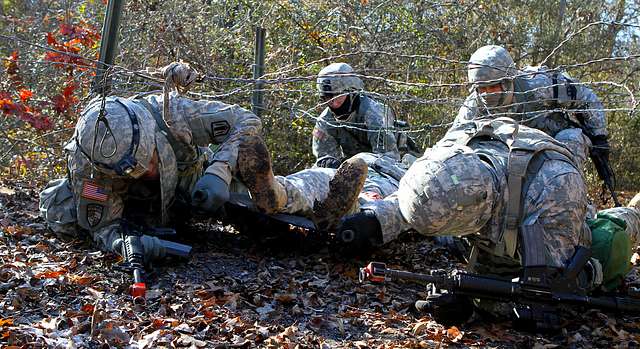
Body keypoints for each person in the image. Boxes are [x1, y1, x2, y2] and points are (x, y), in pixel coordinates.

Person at [336, 118, 640, 318]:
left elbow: (553, 294)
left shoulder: (554, 186)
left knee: (611, 240)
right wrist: (374, 220)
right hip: (504, 220)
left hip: (565, 221)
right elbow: (422, 197)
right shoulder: (451, 151)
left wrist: (480, 305)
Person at [38, 63, 293, 262]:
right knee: (66, 213)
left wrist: (219, 171)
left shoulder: (172, 112)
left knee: (267, 215)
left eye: (149, 159)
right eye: (132, 170)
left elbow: (247, 121)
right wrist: (125, 245)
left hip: (196, 183)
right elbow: (102, 226)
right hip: (136, 205)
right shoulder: (88, 166)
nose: (147, 171)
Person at [455, 45, 617, 203]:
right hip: (512, 151)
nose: (487, 94)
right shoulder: (474, 105)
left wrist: (599, 136)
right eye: (482, 88)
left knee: (571, 139)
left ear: (507, 80)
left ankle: (571, 199)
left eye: (493, 86)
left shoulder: (537, 85)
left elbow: (586, 99)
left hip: (556, 143)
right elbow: (455, 139)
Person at [312, 62, 403, 168]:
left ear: (352, 92)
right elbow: (323, 157)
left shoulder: (373, 113)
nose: (333, 103)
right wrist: (330, 163)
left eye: (338, 95)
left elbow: (388, 159)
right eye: (327, 98)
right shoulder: (325, 121)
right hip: (352, 168)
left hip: (388, 166)